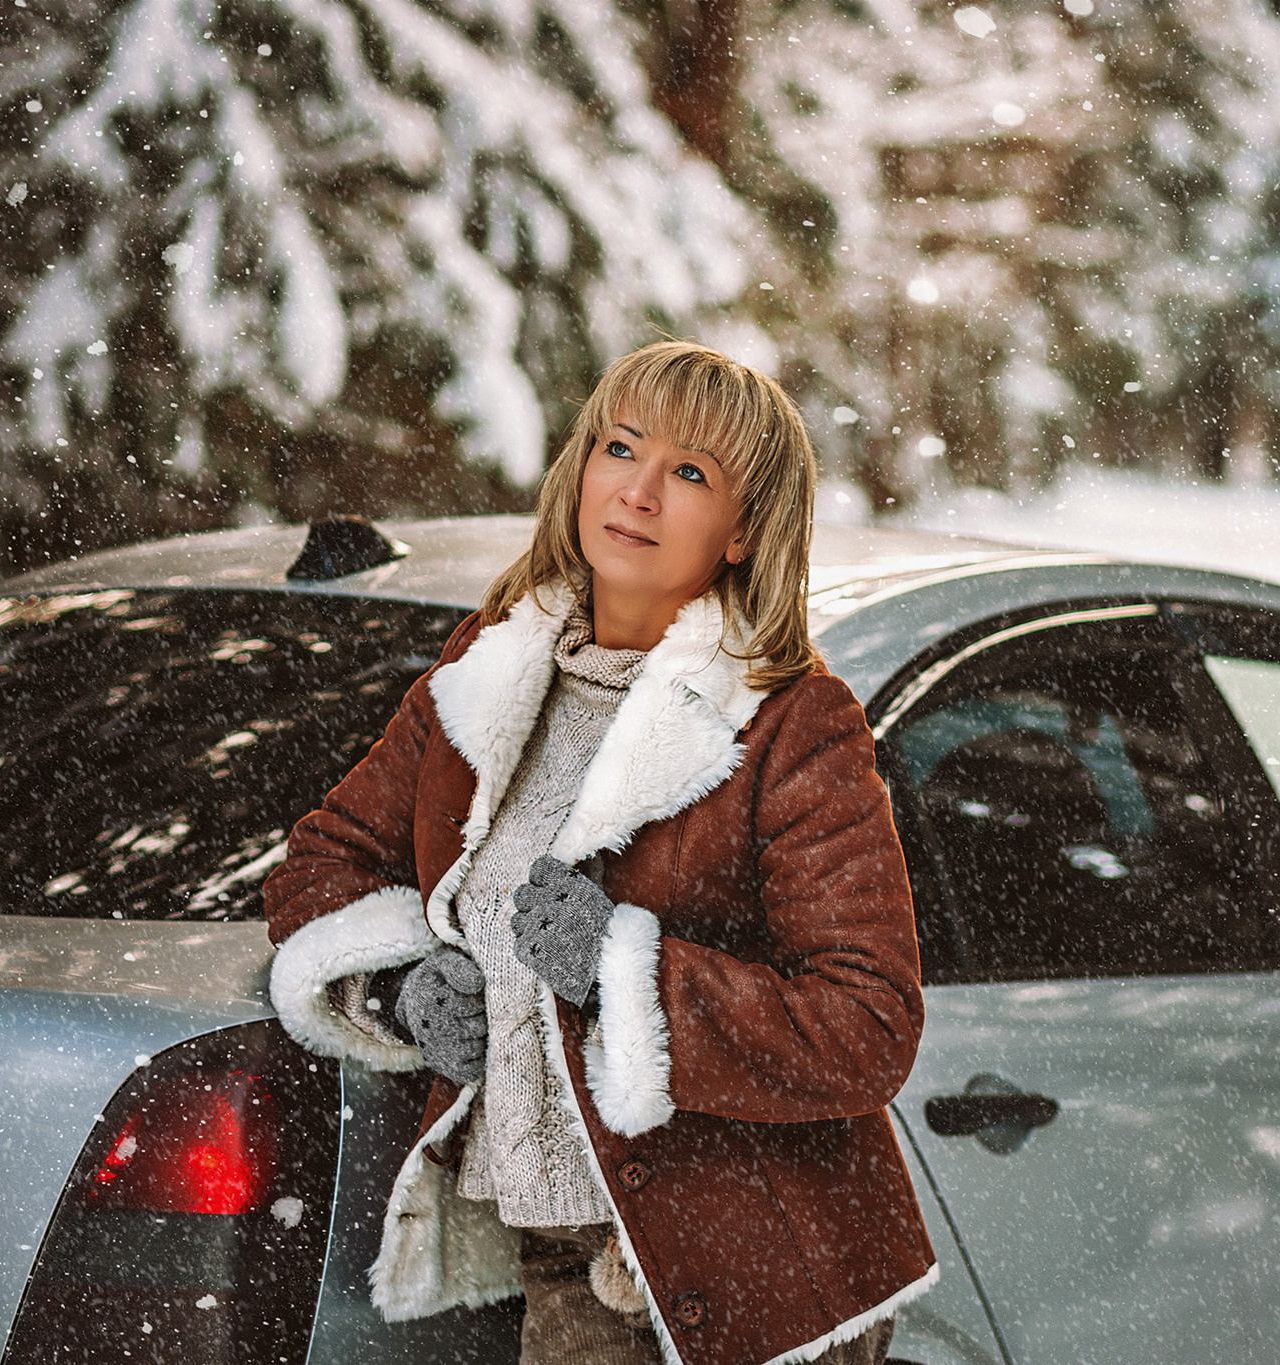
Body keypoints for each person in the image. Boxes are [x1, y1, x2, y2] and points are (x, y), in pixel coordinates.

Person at [262, 342, 935, 1365]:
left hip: (752, 1282)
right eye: (621, 448)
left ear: (744, 532)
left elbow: (866, 1025)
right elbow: (323, 863)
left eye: (691, 473)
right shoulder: (489, 671)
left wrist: (628, 975)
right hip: (562, 1257)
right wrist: (398, 984)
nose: (639, 490)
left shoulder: (791, 722)